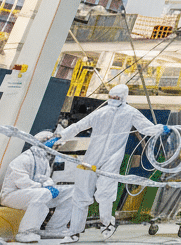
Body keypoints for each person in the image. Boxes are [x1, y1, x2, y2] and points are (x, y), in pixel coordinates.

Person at [57, 84, 167, 240]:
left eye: (116, 97)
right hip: (92, 157)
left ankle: (107, 223)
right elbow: (79, 126)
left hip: (112, 158)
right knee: (81, 194)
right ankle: (74, 232)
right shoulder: (101, 112)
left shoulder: (130, 113)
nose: (113, 100)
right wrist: (60, 137)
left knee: (106, 193)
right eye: (111, 97)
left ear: (123, 98)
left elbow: (146, 128)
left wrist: (160, 129)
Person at [0, 131, 79, 243]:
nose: (55, 148)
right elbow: (22, 182)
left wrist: (49, 185)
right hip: (12, 196)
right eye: (54, 145)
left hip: (35, 194)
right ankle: (25, 232)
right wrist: (42, 187)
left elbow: (45, 178)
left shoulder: (43, 160)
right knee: (44, 193)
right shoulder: (24, 159)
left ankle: (55, 228)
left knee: (73, 191)